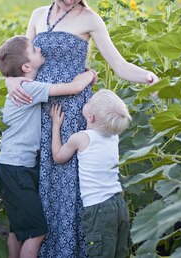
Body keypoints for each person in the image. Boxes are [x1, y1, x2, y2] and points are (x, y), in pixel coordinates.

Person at [5, 0, 159, 258]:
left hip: (75, 109)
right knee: (41, 175)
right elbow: (24, 62)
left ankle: (72, 250)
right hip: (40, 105)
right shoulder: (38, 15)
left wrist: (149, 78)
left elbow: (118, 64)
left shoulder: (91, 20)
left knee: (70, 177)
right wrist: (13, 83)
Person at [0, 35, 97, 258]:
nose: (39, 47)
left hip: (9, 165)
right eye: (34, 49)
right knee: (36, 233)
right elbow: (74, 87)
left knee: (17, 229)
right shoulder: (29, 87)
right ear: (26, 66)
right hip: (18, 168)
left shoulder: (19, 85)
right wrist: (90, 73)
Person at [50, 89, 131, 258]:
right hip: (118, 204)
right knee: (119, 252)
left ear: (91, 117)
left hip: (99, 208)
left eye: (89, 102)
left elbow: (58, 157)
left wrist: (56, 125)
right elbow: (109, 110)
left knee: (100, 253)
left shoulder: (81, 138)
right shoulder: (114, 137)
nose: (86, 101)